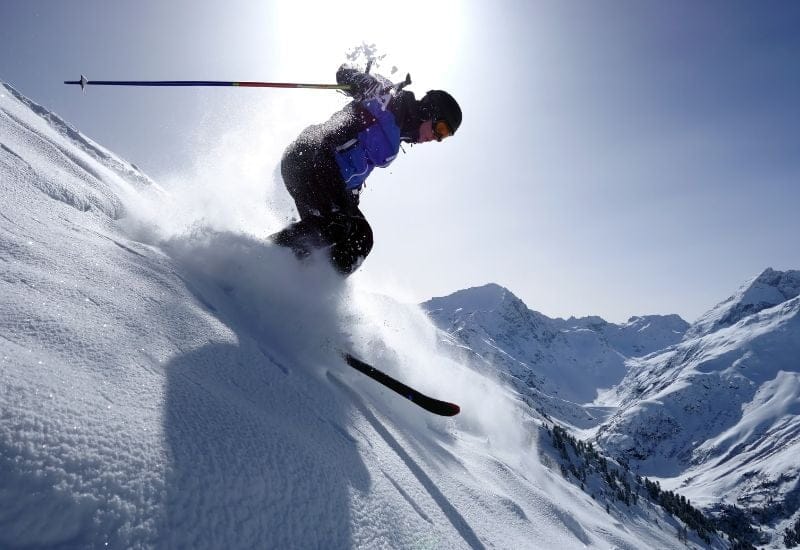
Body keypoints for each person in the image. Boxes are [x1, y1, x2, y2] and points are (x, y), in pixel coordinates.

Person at [271, 65, 462, 275]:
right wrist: (362, 81)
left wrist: (349, 203)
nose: (437, 138)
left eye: (444, 136)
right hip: (309, 156)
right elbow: (343, 72)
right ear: (430, 111)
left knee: (360, 237)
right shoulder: (387, 101)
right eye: (441, 129)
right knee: (338, 225)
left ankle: (306, 283)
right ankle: (265, 258)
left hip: (326, 177)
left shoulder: (396, 136)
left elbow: (354, 169)